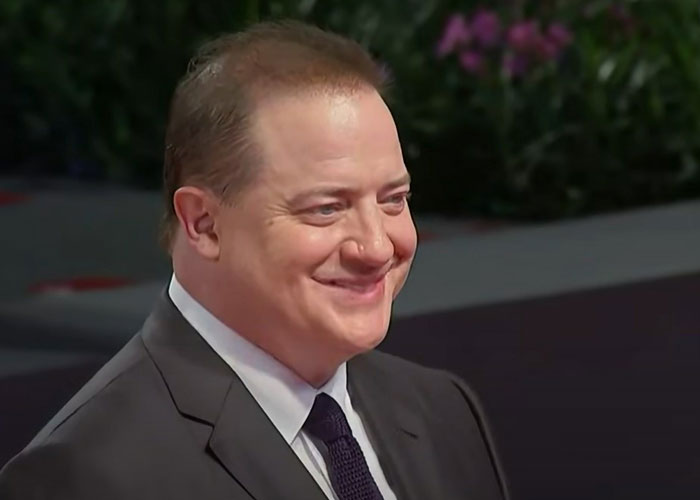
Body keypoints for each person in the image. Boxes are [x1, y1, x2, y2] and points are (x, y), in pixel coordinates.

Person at [0, 20, 509, 500]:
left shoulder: (443, 410)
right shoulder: (86, 476)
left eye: (393, 200)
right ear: (204, 224)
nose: (376, 247)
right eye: (326, 208)